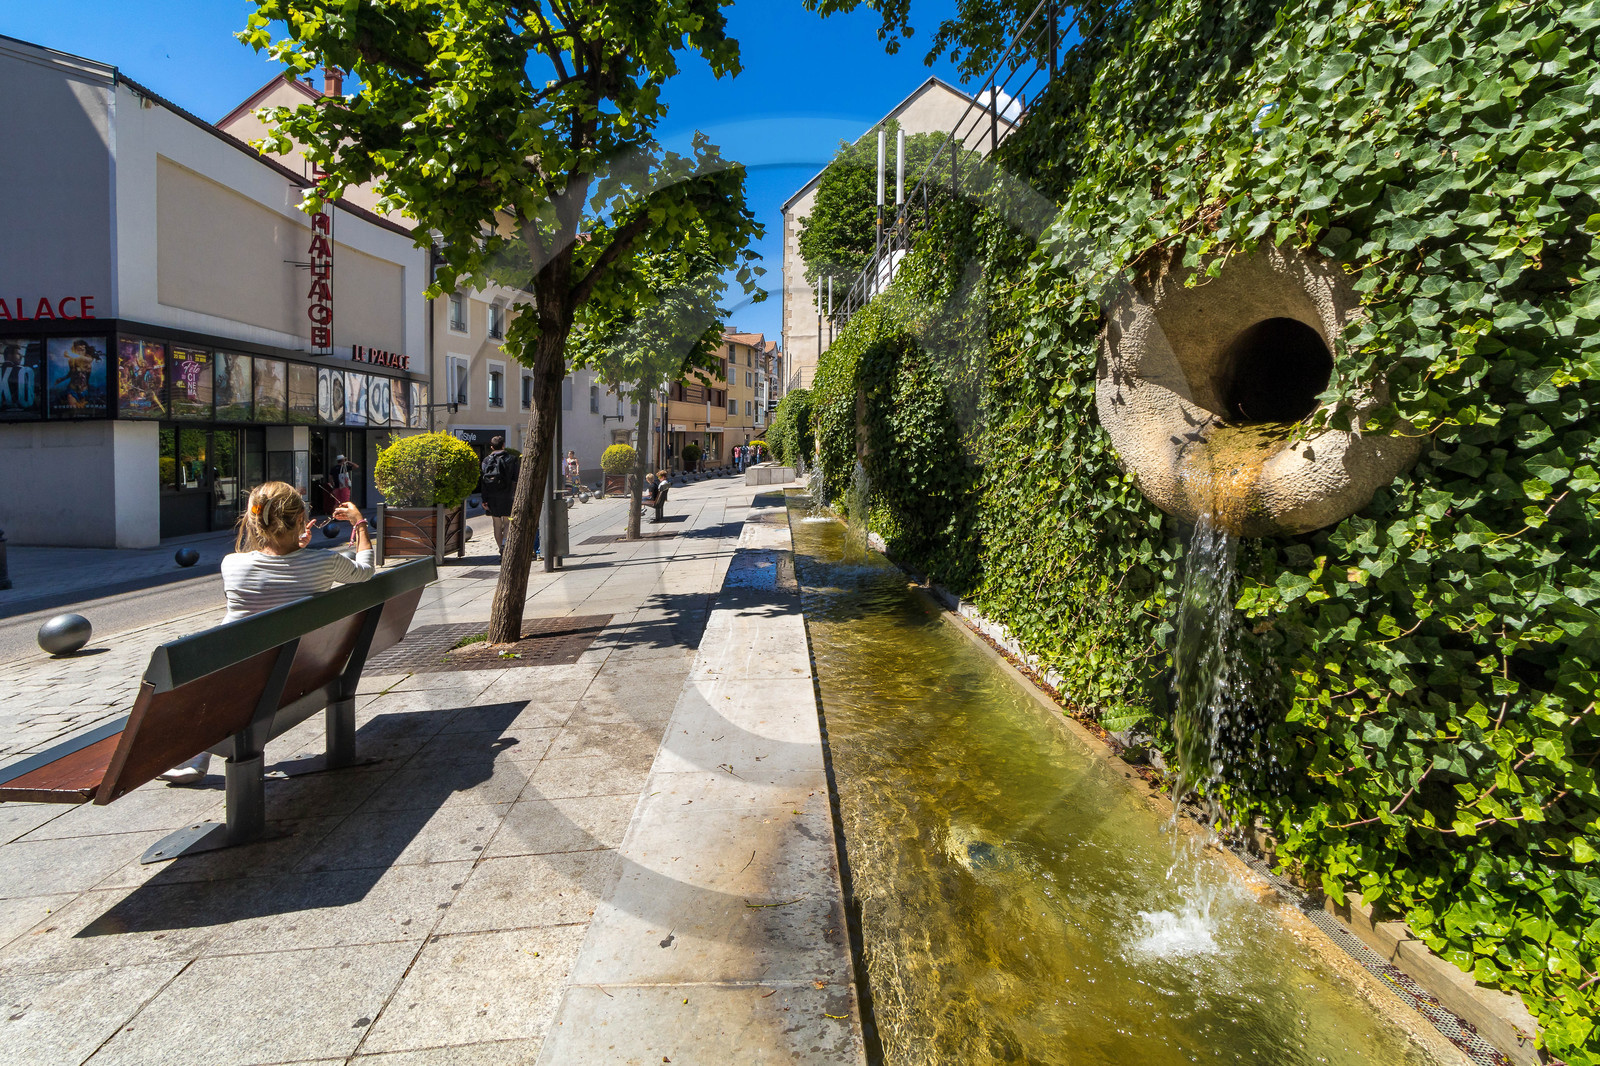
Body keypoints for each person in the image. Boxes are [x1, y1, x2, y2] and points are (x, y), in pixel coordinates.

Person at [159, 482, 374, 784]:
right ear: (300, 520)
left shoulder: (232, 565)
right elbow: (365, 571)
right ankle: (198, 755)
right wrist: (359, 524)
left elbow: (269, 569)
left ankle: (197, 756)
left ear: (254, 521)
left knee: (220, 673)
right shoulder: (325, 563)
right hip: (302, 674)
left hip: (242, 677)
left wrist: (291, 545)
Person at [479, 435, 520, 555]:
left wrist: (484, 499)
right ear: (503, 445)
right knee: (507, 522)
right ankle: (504, 545)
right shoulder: (512, 459)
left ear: (491, 447)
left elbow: (484, 481)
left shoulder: (486, 461)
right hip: (507, 495)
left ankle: (500, 549)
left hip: (492, 496)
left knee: (496, 524)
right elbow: (516, 478)